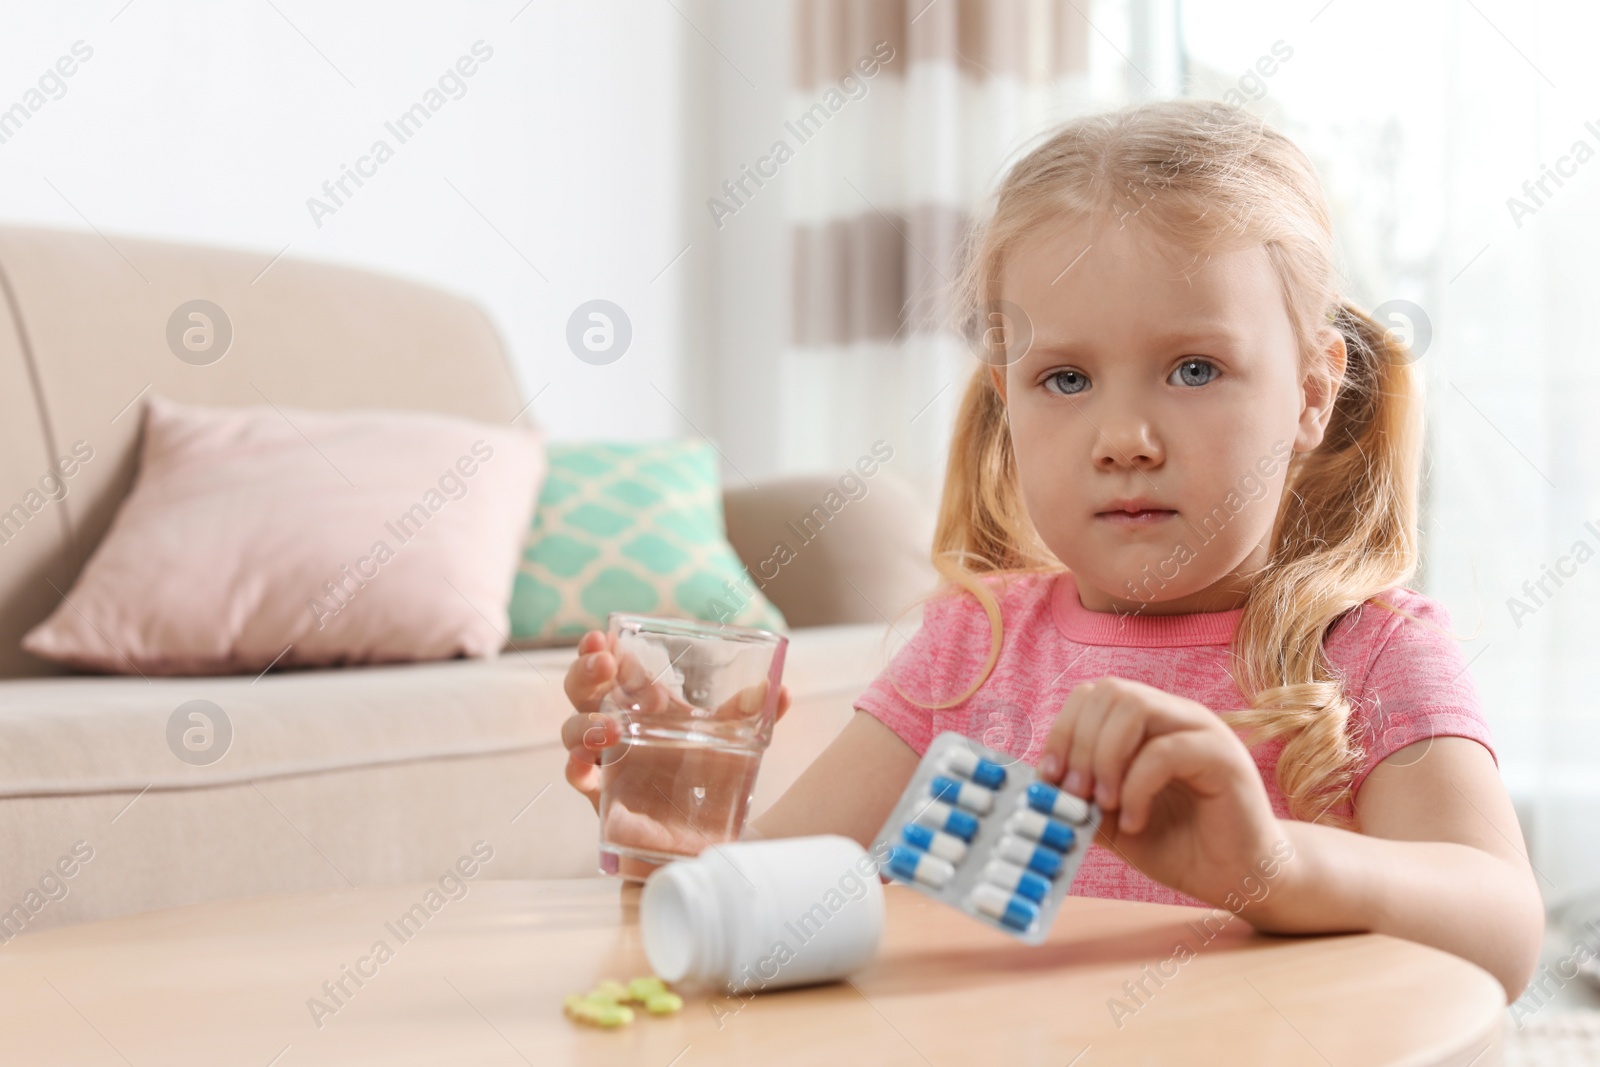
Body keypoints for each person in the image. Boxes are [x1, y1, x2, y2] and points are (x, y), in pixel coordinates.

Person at [561, 99, 1543, 1000]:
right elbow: (775, 888)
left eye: (1193, 367)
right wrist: (672, 816)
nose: (1123, 436)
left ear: (1312, 391)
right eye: (1064, 379)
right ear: (1005, 396)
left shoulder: (1368, 654)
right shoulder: (964, 653)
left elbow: (1501, 925)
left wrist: (1269, 867)